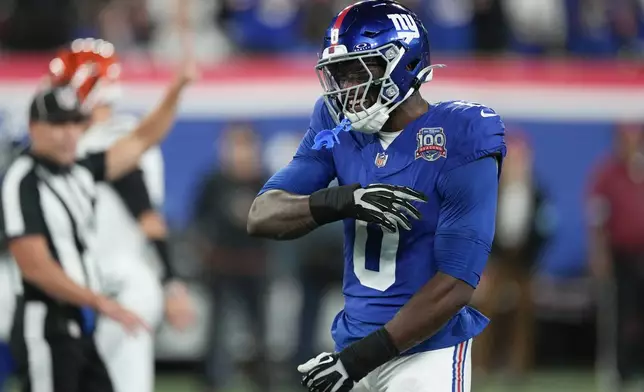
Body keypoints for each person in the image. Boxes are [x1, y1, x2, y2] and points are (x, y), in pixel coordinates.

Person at [246, 1, 506, 391]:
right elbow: (261, 215)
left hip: (424, 355)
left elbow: (456, 284)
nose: (347, 90)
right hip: (353, 346)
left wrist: (356, 361)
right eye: (338, 75)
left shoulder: (462, 133)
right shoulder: (336, 124)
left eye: (357, 72)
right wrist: (342, 201)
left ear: (402, 63)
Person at [1, 65, 192, 391]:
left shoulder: (79, 170)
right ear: (34, 127)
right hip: (45, 321)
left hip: (79, 321)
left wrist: (176, 91)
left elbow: (139, 141)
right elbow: (34, 265)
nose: (69, 133)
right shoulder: (24, 178)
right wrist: (100, 302)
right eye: (58, 124)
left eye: (76, 122)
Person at [192, 124, 269, 391]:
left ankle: (263, 379)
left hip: (255, 267)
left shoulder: (266, 181)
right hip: (221, 266)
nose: (238, 152)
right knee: (217, 332)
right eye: (233, 145)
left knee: (259, 331)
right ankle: (213, 380)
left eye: (244, 145)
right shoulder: (214, 182)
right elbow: (199, 221)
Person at [588, 123, 644, 391]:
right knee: (622, 313)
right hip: (621, 254)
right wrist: (599, 254)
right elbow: (596, 219)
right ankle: (620, 370)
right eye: (625, 139)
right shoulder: (607, 174)